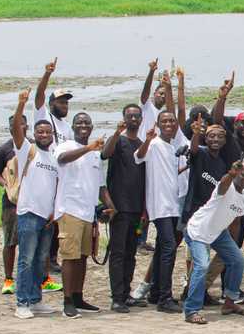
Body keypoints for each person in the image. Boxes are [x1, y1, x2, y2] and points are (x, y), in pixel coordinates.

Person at [182, 159, 244, 324]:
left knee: (237, 260)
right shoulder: (225, 187)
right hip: (198, 231)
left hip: (218, 232)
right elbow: (223, 184)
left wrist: (234, 246)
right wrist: (230, 173)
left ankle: (229, 303)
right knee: (202, 266)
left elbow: (235, 221)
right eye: (243, 175)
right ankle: (191, 310)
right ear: (236, 173)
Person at [180, 117, 241, 305]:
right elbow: (194, 149)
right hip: (196, 217)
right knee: (198, 260)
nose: (215, 139)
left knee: (231, 257)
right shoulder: (201, 154)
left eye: (219, 136)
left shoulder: (222, 164)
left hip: (214, 220)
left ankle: (200, 291)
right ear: (206, 139)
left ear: (224, 141)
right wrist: (197, 133)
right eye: (211, 136)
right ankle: (190, 297)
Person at [54, 113, 110, 318]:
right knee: (70, 256)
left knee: (83, 256)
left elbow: (100, 185)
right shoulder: (66, 146)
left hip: (88, 212)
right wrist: (88, 148)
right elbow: (61, 160)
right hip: (70, 210)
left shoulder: (95, 154)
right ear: (73, 127)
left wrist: (110, 206)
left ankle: (78, 296)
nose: (83, 126)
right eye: (79, 123)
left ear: (92, 126)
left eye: (87, 123)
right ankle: (67, 300)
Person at [10, 90, 60, 319]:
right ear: (34, 133)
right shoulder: (26, 151)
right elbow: (16, 130)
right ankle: (22, 303)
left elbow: (57, 187)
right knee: (26, 259)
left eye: (48, 131)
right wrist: (21, 105)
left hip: (47, 216)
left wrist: (54, 212)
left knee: (41, 261)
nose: (44, 134)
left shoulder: (53, 156)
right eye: (40, 131)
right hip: (29, 213)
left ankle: (36, 299)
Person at [134, 108, 187, 313]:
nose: (168, 124)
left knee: (163, 248)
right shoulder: (154, 144)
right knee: (169, 248)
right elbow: (138, 156)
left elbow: (170, 174)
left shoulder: (173, 146)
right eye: (164, 121)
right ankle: (165, 297)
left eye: (171, 121)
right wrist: (146, 140)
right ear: (158, 124)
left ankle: (156, 293)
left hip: (173, 204)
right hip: (160, 205)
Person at [102, 105, 148, 313]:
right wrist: (115, 132)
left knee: (131, 252)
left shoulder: (141, 144)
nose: (133, 119)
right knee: (118, 253)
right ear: (123, 118)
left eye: (137, 116)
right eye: (130, 116)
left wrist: (145, 209)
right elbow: (105, 154)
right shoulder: (118, 141)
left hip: (137, 207)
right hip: (119, 207)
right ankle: (117, 297)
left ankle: (126, 293)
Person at [0, 116, 25, 295]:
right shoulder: (4, 150)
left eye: (21, 124)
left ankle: (42, 278)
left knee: (36, 242)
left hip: (33, 203)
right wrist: (6, 184)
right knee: (10, 242)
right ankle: (8, 278)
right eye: (14, 126)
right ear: (10, 129)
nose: (18, 128)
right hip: (11, 204)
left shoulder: (34, 146)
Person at [33, 57, 73, 146]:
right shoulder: (43, 115)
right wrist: (47, 74)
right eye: (61, 102)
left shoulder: (67, 127)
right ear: (51, 104)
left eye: (66, 103)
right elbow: (40, 93)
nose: (65, 106)